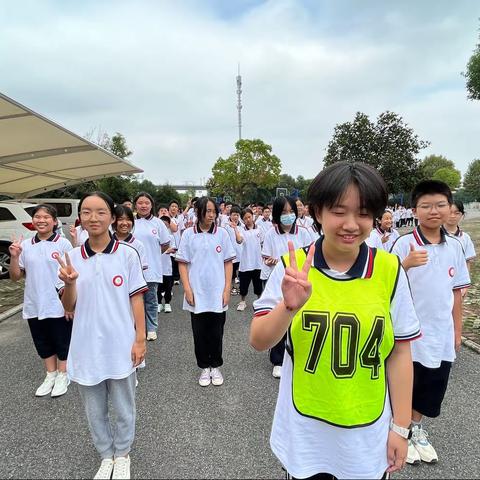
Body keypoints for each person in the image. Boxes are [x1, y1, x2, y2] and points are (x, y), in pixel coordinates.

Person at [250, 162, 420, 479]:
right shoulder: (293, 266)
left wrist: (401, 426)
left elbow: (399, 353)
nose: (351, 224)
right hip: (305, 434)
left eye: (364, 213)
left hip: (367, 436)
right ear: (318, 212)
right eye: (339, 211)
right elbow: (259, 340)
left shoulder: (389, 270)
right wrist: (288, 307)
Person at [56, 192, 148, 480]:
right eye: (86, 212)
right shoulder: (71, 257)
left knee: (123, 407)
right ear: (79, 218)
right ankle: (106, 455)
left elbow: (136, 300)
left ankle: (122, 454)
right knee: (94, 410)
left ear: (112, 216)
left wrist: (140, 339)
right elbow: (68, 305)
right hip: (85, 347)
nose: (93, 218)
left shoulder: (127, 254)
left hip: (120, 344)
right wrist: (70, 283)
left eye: (100, 212)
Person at [391, 180, 470, 466]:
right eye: (425, 206)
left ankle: (416, 429)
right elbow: (383, 283)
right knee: (406, 383)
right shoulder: (403, 244)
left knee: (431, 387)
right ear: (414, 210)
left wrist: (457, 331)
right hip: (409, 334)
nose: (433, 211)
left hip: (441, 332)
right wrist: (406, 264)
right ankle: (399, 429)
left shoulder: (456, 247)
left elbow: (457, 292)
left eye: (440, 205)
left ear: (450, 209)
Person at [9, 204, 73, 398]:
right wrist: (14, 257)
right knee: (42, 341)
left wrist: (71, 304)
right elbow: (15, 277)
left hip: (58, 303)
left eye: (46, 217)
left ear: (54, 222)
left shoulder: (63, 244)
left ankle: (63, 374)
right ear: (33, 220)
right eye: (37, 216)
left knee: (62, 341)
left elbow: (71, 275)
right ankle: (50, 374)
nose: (41, 220)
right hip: (34, 302)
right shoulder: (26, 246)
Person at [176, 197, 235, 387]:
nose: (211, 215)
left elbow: (228, 262)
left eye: (213, 211)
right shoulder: (187, 234)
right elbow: (183, 263)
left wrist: (227, 288)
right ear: (198, 211)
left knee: (217, 332)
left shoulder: (222, 234)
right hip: (197, 291)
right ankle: (204, 366)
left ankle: (215, 365)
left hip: (217, 292)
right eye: (207, 211)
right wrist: (187, 288)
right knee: (199, 332)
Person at [260, 196, 312, 378]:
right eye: (283, 213)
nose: (288, 216)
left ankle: (299, 353)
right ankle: (278, 359)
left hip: (299, 285)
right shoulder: (270, 234)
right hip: (278, 284)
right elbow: (265, 258)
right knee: (279, 318)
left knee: (299, 320)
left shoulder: (305, 232)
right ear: (277, 214)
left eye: (291, 212)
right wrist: (270, 261)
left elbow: (311, 256)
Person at [133, 192, 170, 341]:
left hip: (151, 269)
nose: (143, 205)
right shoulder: (130, 222)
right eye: (140, 203)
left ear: (151, 205)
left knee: (151, 300)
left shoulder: (158, 223)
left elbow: (165, 244)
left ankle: (151, 328)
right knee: (133, 300)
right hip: (132, 270)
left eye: (146, 203)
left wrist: (153, 254)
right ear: (135, 205)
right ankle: (136, 328)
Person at [236, 208, 263, 312]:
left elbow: (262, 242)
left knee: (258, 285)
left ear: (252, 216)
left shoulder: (259, 228)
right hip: (246, 263)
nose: (248, 219)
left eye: (249, 217)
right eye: (245, 218)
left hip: (258, 263)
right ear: (243, 220)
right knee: (243, 285)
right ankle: (242, 302)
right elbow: (239, 240)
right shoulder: (241, 230)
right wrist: (235, 229)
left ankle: (260, 302)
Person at [443, 200, 476, 277]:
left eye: (457, 213)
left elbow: (467, 262)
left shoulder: (465, 238)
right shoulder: (434, 235)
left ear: (462, 215)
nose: (452, 216)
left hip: (458, 281)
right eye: (449, 212)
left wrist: (465, 283)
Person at [112, 205, 148, 272]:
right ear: (113, 220)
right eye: (120, 219)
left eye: (128, 219)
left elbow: (140, 270)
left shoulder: (138, 245)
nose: (125, 223)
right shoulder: (107, 243)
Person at [157, 216, 177, 314]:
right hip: (157, 266)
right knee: (158, 287)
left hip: (167, 266)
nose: (164, 226)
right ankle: (159, 303)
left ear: (169, 225)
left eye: (166, 224)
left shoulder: (171, 237)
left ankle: (168, 303)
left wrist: (166, 250)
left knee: (168, 286)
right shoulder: (155, 236)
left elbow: (173, 249)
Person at [224, 205, 243, 295]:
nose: (236, 217)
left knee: (240, 271)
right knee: (231, 271)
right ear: (230, 215)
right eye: (234, 215)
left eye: (237, 215)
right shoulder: (226, 226)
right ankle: (232, 287)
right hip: (230, 252)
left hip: (240, 252)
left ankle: (239, 287)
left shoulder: (242, 225)